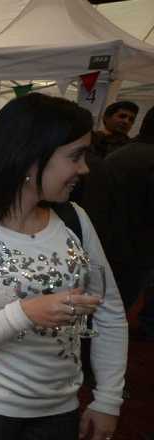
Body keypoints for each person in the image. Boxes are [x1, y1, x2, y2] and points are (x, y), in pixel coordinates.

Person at [0, 93, 126, 440]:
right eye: (75, 156)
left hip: (60, 410)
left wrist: (108, 398)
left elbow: (109, 311)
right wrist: (25, 313)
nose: (84, 168)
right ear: (31, 157)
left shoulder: (74, 221)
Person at [83, 107, 154, 340]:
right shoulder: (116, 152)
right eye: (121, 116)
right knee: (110, 315)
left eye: (131, 118)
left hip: (104, 243)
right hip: (133, 251)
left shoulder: (122, 153)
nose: (126, 121)